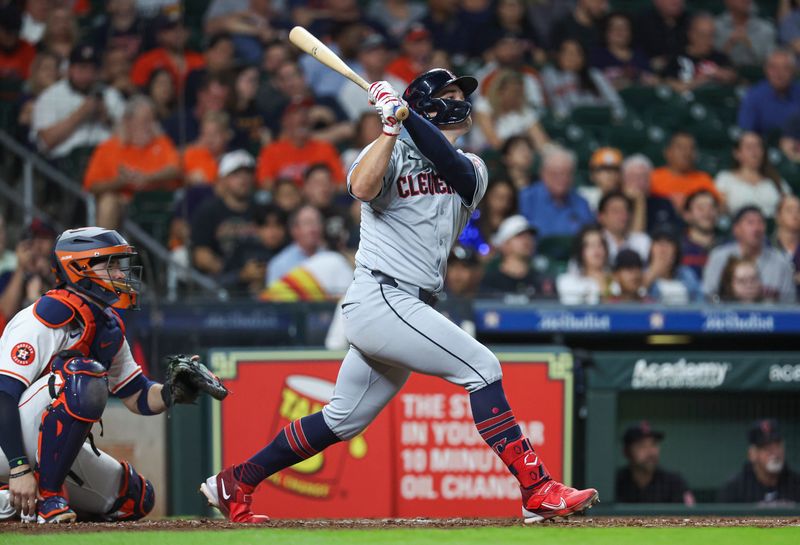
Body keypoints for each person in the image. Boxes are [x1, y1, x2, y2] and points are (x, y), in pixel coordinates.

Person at [200, 68, 599, 523]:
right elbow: (361, 189)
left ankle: (236, 481)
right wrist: (391, 127)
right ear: (425, 105)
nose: (459, 101)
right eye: (448, 95)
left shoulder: (475, 165)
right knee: (482, 368)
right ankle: (537, 489)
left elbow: (451, 170)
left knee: (342, 419)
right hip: (381, 294)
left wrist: (405, 118)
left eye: (460, 94)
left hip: (409, 303)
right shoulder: (384, 149)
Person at [0, 227, 213, 523]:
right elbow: (3, 395)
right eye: (110, 264)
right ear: (79, 268)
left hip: (49, 447)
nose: (121, 273)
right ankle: (47, 498)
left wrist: (171, 391)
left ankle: (12, 503)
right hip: (6, 442)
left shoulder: (105, 324)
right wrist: (20, 467)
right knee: (82, 375)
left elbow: (136, 395)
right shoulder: (44, 316)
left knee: (135, 498)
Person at [83, 96, 181, 230]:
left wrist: (147, 177)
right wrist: (121, 182)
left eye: (153, 120)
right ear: (128, 121)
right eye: (145, 121)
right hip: (123, 208)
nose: (151, 126)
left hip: (155, 206)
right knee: (108, 202)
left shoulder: (161, 142)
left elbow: (175, 169)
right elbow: (92, 185)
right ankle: (105, 250)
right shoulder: (108, 147)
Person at [31, 44, 125, 160]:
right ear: (69, 69)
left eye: (92, 69)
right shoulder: (50, 96)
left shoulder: (110, 94)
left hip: (106, 159)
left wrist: (106, 119)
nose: (87, 74)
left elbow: (130, 137)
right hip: (65, 163)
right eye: (82, 68)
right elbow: (45, 142)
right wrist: (80, 114)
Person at [190, 150, 267, 292]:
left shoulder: (263, 210)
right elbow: (201, 255)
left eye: (248, 173)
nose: (244, 179)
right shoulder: (208, 211)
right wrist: (238, 274)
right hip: (220, 282)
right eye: (236, 174)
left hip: (260, 279)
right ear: (223, 179)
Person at [702, 206, 796, 303]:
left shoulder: (781, 262)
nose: (756, 228)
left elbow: (789, 304)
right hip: (726, 316)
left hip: (771, 317)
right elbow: (708, 296)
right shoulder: (719, 257)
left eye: (760, 222)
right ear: (736, 229)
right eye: (750, 222)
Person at [256, 102, 346, 188]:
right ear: (284, 121)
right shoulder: (271, 151)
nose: (302, 117)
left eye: (305, 112)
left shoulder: (325, 148)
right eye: (295, 113)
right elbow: (265, 184)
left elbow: (341, 184)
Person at [519, 145, 595, 239]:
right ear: (543, 174)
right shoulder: (525, 199)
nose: (562, 179)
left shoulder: (582, 203)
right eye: (556, 174)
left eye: (567, 174)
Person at [718, 419, 800, 503]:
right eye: (766, 448)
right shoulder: (734, 489)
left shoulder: (796, 484)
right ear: (752, 454)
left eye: (777, 446)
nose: (774, 453)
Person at [541, 39, 624, 119]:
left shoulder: (593, 74)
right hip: (571, 123)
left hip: (600, 120)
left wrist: (616, 116)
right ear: (558, 55)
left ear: (583, 58)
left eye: (577, 53)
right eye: (567, 52)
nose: (571, 57)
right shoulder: (550, 74)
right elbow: (556, 107)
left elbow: (615, 102)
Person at [616, 421, 695, 505]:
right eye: (642, 446)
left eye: (654, 444)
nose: (650, 452)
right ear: (626, 452)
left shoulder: (674, 483)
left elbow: (690, 515)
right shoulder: (615, 483)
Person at [714, 132, 790, 219]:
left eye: (758, 146)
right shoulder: (725, 179)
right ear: (737, 153)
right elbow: (718, 209)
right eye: (749, 147)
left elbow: (790, 205)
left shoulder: (775, 180)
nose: (754, 151)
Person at [472, 68, 550, 152]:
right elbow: (493, 141)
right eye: (515, 92)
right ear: (501, 91)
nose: (519, 97)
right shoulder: (483, 105)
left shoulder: (524, 111)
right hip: (485, 154)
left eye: (521, 92)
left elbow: (541, 140)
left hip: (517, 157)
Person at [478, 215, 555, 299]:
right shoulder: (489, 281)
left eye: (530, 235)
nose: (527, 239)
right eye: (519, 235)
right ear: (504, 244)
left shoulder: (543, 282)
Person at [130, 9, 204, 93]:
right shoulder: (146, 62)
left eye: (183, 27)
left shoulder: (200, 61)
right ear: (160, 34)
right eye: (171, 28)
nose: (178, 32)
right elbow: (138, 94)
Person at [663, 12, 737, 95]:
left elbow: (735, 78)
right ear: (691, 34)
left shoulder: (720, 58)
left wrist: (726, 75)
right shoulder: (676, 59)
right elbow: (670, 84)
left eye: (712, 35)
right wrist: (703, 80)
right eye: (703, 35)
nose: (709, 41)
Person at [337, 34, 406, 122]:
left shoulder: (399, 85)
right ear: (361, 57)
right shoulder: (351, 88)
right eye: (372, 51)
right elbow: (353, 124)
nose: (379, 54)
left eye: (381, 50)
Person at [650, 131, 720, 211]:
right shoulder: (653, 178)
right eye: (680, 148)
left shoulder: (703, 180)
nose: (686, 153)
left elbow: (719, 207)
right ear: (667, 152)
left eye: (691, 148)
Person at [738, 49, 800, 137]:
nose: (779, 73)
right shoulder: (754, 96)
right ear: (766, 70)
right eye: (773, 68)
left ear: (793, 71)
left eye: (785, 68)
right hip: (766, 147)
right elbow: (747, 134)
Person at [589, 11, 655, 89]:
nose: (619, 32)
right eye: (614, 28)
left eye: (624, 28)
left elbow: (653, 80)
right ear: (606, 32)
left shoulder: (640, 55)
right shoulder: (596, 56)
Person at [265, 204, 325, 286]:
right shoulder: (279, 265)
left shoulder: (331, 257)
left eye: (317, 222)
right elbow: (274, 298)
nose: (313, 228)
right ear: (295, 230)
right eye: (307, 223)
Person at [621, 154, 681, 234]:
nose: (638, 181)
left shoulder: (663, 203)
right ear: (623, 179)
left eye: (643, 176)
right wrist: (639, 201)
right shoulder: (614, 204)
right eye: (633, 176)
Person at [459, 178, 518, 257]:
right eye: (498, 196)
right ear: (487, 195)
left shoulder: (515, 224)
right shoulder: (472, 220)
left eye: (508, 198)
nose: (503, 202)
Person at [644, 226, 702, 304]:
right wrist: (652, 273)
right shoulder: (640, 274)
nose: (663, 249)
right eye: (659, 243)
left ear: (676, 250)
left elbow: (701, 304)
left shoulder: (687, 274)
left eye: (668, 243)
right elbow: (634, 302)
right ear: (651, 249)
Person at [557, 224, 612, 304]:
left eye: (600, 245)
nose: (597, 251)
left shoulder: (613, 280)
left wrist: (601, 281)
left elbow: (615, 311)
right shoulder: (567, 281)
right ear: (580, 251)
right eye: (591, 245)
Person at [715, 0, 776, 68]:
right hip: (722, 75)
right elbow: (710, 62)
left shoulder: (766, 29)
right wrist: (729, 44)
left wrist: (749, 44)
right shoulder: (715, 27)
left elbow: (771, 63)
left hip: (756, 76)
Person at [634, 0, 691, 73]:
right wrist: (648, 64)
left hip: (686, 73)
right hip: (649, 76)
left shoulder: (692, 22)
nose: (676, 2)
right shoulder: (641, 22)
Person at [598, 191, 651, 263]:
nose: (622, 215)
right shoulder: (596, 243)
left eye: (625, 210)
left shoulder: (642, 240)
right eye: (615, 211)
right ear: (601, 217)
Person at [680, 189, 720, 278]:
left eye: (712, 207)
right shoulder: (678, 248)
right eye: (700, 208)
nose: (707, 212)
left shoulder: (727, 246)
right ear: (687, 215)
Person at [579, 146, 623, 212]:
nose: (610, 174)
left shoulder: (626, 198)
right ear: (592, 175)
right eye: (604, 169)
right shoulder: (583, 196)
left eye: (615, 169)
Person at [772, 194, 800, 297]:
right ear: (778, 216)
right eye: (789, 210)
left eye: (799, 210)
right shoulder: (766, 247)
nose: (795, 214)